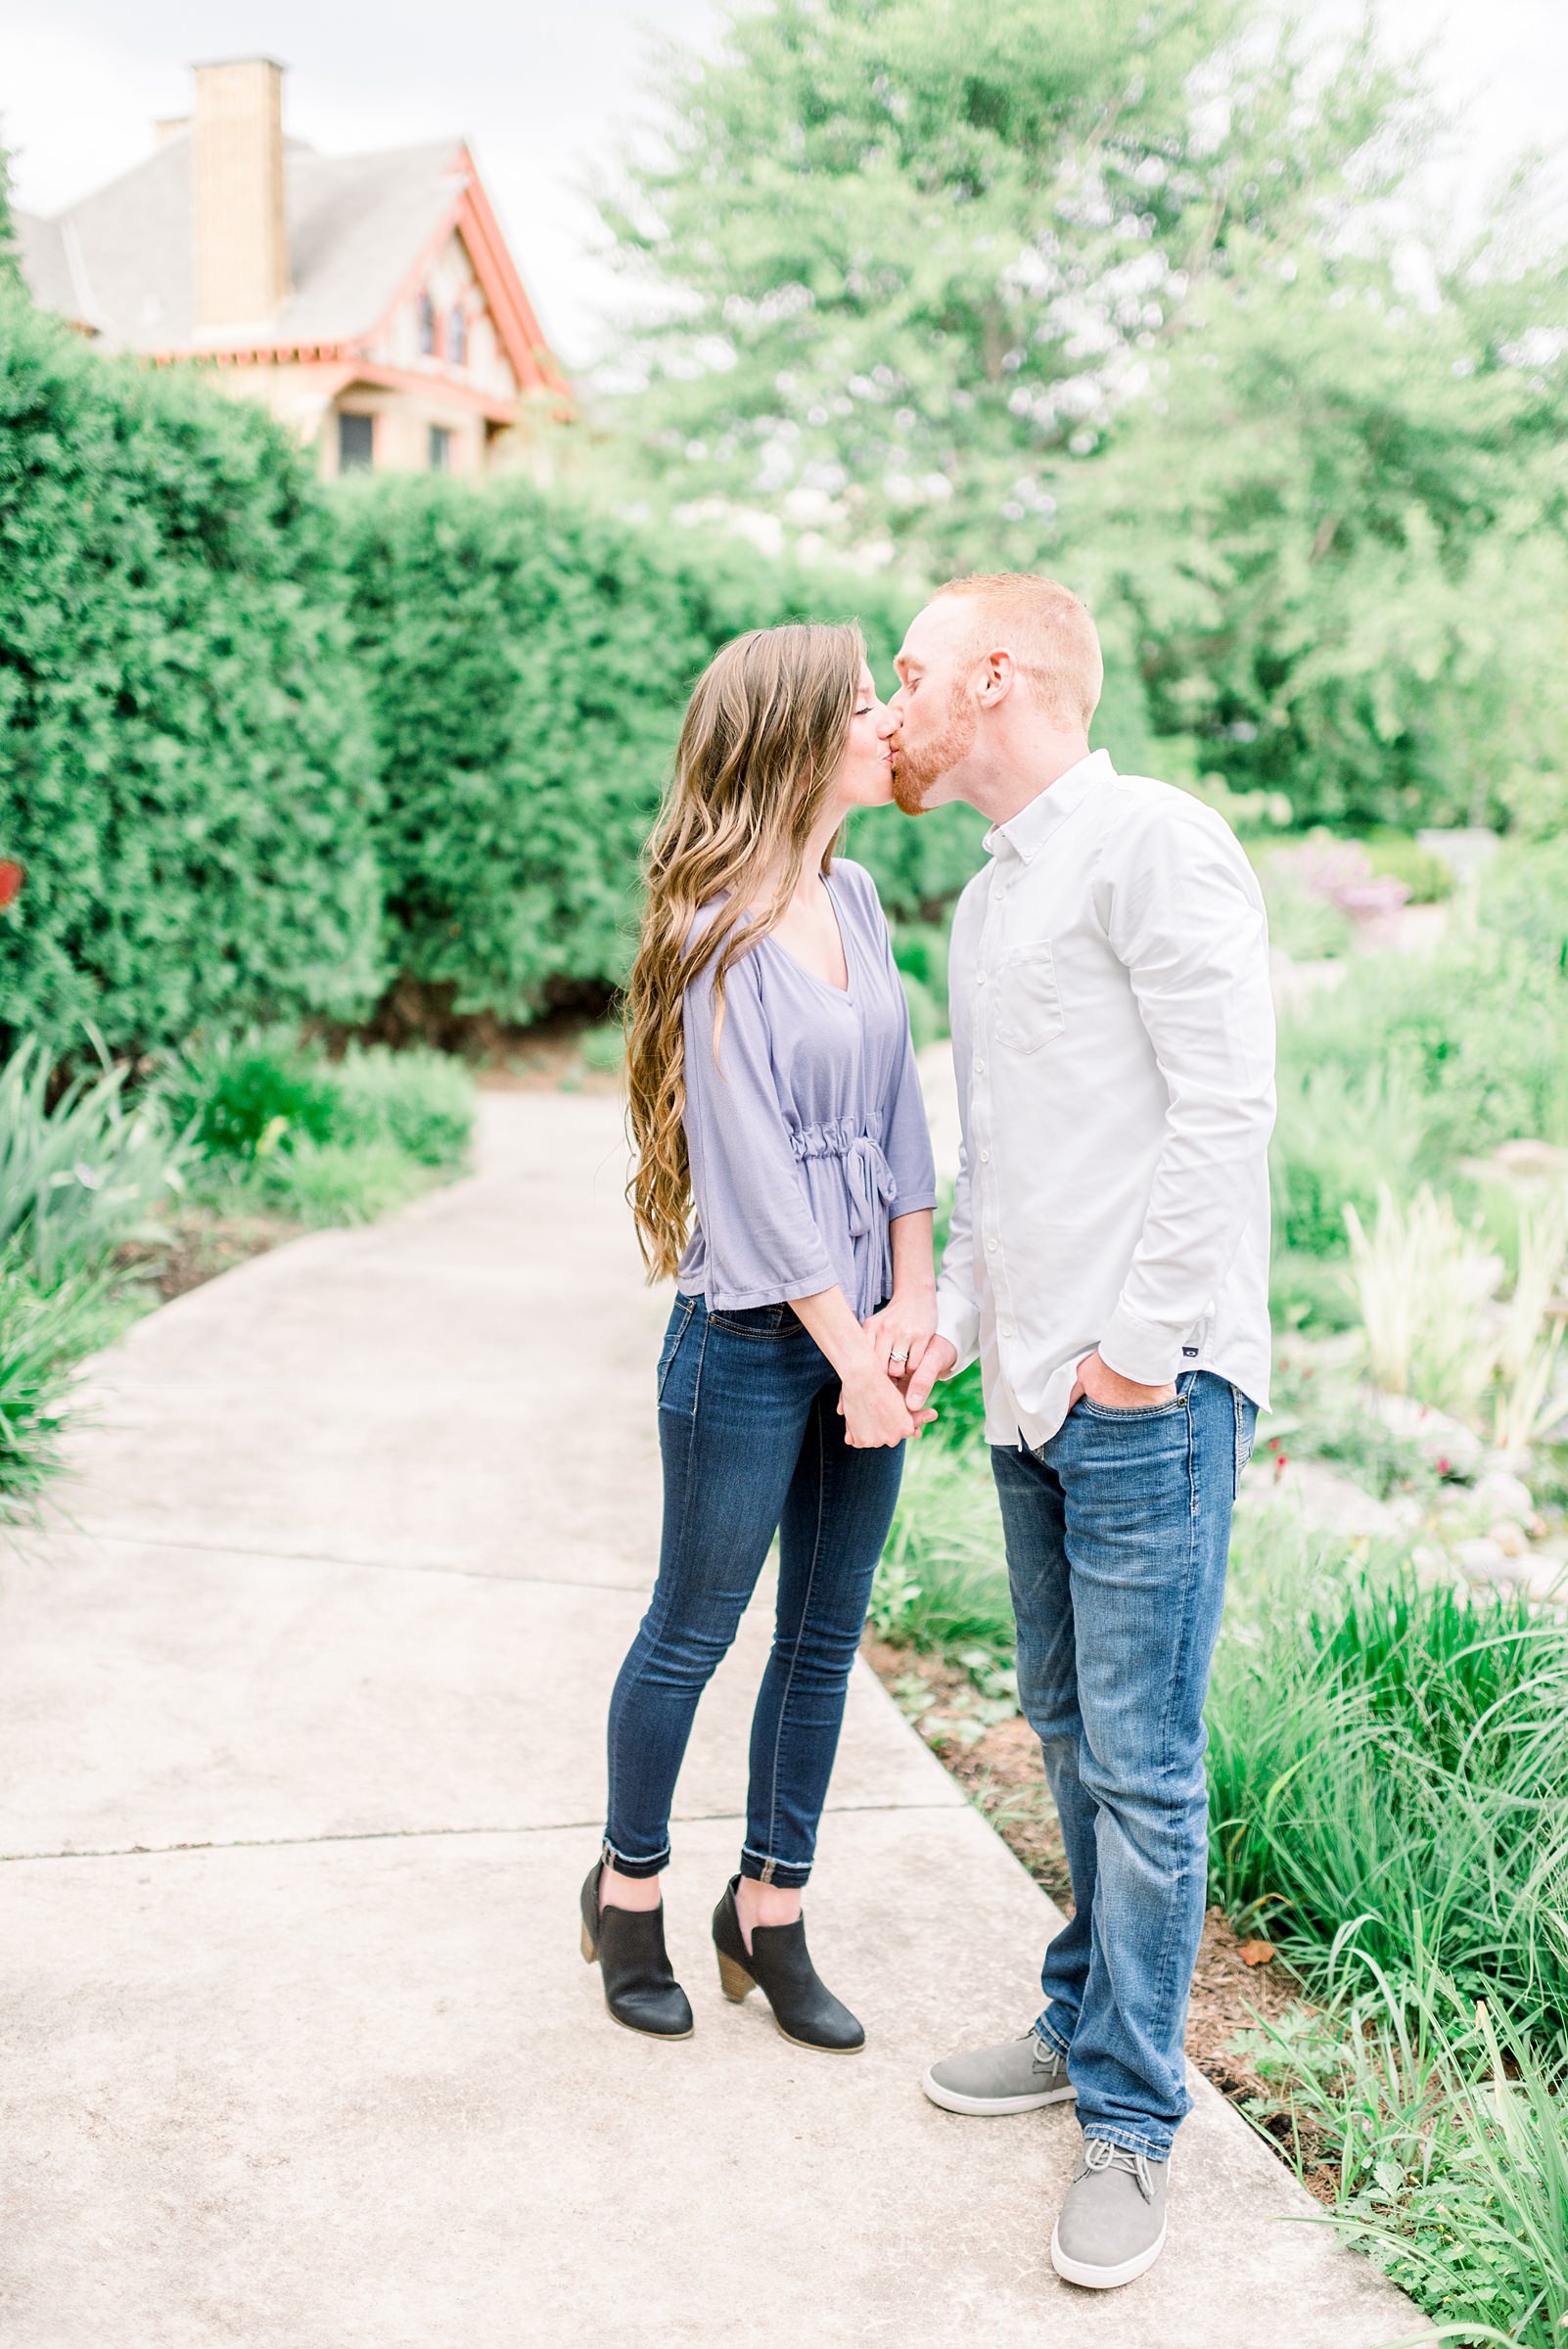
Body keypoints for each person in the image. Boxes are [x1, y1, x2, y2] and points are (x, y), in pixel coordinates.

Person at [889, 575, 1275, 2289]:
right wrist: (955, 1329)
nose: (887, 702)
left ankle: (1130, 2114)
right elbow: (998, 1162)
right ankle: (1080, 2011)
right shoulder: (984, 901)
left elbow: (1224, 1105)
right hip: (1037, 1395)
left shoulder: (1153, 845)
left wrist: (1134, 1354)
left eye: (908, 671)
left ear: (995, 675)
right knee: (1060, 1728)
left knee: (1140, 1761)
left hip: (1148, 1392)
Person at [580, 622, 938, 2052]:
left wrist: (912, 1302)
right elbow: (750, 1174)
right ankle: (626, 1894)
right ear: (796, 739)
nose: (884, 725)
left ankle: (770, 1912)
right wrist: (849, 1354)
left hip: (871, 1333)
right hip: (748, 1341)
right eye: (862, 708)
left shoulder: (854, 902)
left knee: (823, 1638)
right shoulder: (709, 931)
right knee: (692, 1629)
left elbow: (904, 1117)